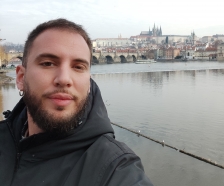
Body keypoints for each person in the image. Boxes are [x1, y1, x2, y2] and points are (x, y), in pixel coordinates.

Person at [0, 19, 153, 186]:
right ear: (21, 78)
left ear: (89, 83)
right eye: (48, 63)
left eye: (78, 67)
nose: (64, 79)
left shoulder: (115, 168)